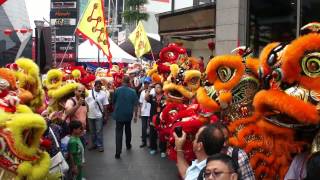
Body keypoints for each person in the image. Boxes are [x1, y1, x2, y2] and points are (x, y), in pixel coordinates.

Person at [113, 75, 139, 159]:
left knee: (118, 132)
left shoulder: (117, 90)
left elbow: (113, 101)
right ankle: (128, 145)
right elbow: (136, 105)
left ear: (122, 81)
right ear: (129, 82)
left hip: (119, 114)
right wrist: (135, 116)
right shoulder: (133, 91)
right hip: (128, 114)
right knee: (128, 130)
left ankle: (118, 151)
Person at [85, 80, 109, 152]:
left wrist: (105, 115)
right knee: (92, 131)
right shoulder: (88, 92)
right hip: (90, 115)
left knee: (99, 131)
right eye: (97, 86)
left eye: (100, 86)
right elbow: (84, 101)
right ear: (94, 86)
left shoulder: (103, 93)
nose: (99, 87)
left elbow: (105, 105)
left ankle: (100, 145)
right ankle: (94, 144)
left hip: (99, 115)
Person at [145, 83, 166, 157]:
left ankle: (163, 150)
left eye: (159, 87)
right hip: (153, 118)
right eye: (156, 87)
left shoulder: (165, 97)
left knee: (162, 134)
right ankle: (153, 148)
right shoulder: (152, 96)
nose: (157, 88)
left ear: (161, 88)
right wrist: (149, 89)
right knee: (152, 134)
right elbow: (146, 98)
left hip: (162, 118)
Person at [139, 77, 152, 148]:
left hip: (151, 112)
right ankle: (144, 142)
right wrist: (140, 112)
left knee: (151, 128)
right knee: (143, 128)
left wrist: (149, 90)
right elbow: (141, 103)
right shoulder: (142, 92)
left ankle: (151, 143)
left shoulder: (153, 91)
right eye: (145, 83)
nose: (146, 85)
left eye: (148, 83)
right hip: (144, 112)